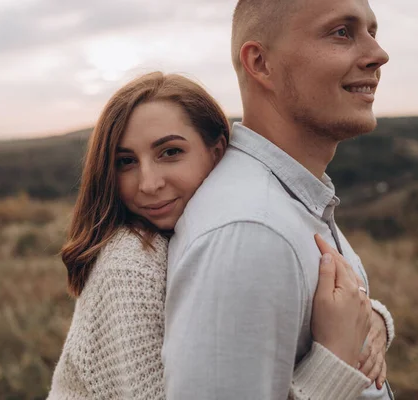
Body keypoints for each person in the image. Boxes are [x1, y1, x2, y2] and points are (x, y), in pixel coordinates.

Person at [47, 72, 390, 400]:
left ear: (216, 150)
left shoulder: (226, 216)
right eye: (126, 161)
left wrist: (371, 318)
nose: (148, 183)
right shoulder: (131, 261)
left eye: (170, 153)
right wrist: (335, 360)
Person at [162, 0, 396, 399]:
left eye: (372, 32)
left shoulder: (292, 198)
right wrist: (334, 366)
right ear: (260, 63)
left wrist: (371, 320)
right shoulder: (251, 232)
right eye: (342, 32)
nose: (378, 55)